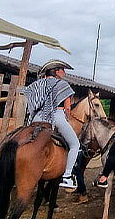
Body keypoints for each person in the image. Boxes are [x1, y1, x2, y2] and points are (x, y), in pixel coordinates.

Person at [24, 59, 80, 190]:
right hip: (56, 116)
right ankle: (67, 176)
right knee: (75, 144)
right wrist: (67, 116)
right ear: (56, 71)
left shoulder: (36, 85)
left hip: (36, 118)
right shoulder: (63, 85)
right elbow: (67, 108)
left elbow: (30, 103)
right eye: (62, 70)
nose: (64, 73)